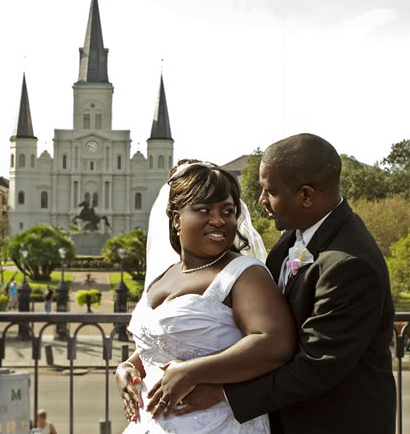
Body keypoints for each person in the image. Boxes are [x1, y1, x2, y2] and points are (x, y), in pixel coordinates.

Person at [169, 134, 396, 434]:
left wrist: (223, 394)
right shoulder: (296, 234)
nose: (261, 201)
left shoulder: (350, 265)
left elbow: (316, 365)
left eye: (269, 191)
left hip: (333, 422)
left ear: (306, 196)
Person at [115, 161, 295, 433]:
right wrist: (128, 366)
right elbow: (166, 339)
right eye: (203, 210)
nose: (218, 220)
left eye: (228, 211)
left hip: (217, 425)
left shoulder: (245, 274)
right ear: (177, 219)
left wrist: (192, 372)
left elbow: (274, 344)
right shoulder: (164, 275)